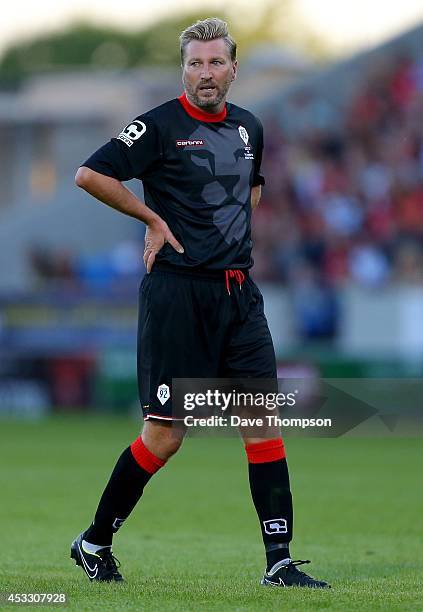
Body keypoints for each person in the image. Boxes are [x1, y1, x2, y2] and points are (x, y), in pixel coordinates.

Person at [71, 17, 329, 589]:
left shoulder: (249, 127)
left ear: (234, 68)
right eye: (195, 63)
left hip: (238, 295)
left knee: (262, 422)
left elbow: (251, 188)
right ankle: (93, 541)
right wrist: (152, 218)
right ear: (183, 69)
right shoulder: (158, 125)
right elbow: (90, 174)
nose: (205, 73)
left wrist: (224, 237)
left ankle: (280, 562)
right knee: (165, 434)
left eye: (216, 62)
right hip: (177, 296)